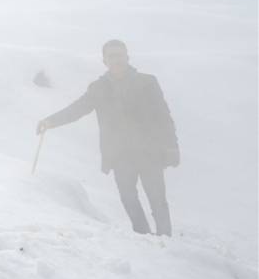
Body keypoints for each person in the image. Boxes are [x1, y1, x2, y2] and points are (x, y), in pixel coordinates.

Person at [37, 40, 179, 235]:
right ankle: (144, 238)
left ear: (127, 57)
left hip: (149, 152)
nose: (116, 60)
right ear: (104, 61)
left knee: (157, 200)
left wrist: (172, 147)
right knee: (128, 198)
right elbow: (78, 109)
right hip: (120, 155)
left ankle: (166, 240)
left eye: (119, 55)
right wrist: (50, 121)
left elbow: (164, 116)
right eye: (111, 56)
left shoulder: (148, 82)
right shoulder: (98, 88)